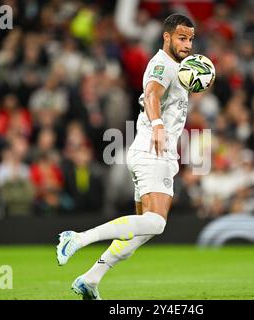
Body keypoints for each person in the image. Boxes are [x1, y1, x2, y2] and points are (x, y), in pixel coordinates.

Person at [56, 14, 196, 300]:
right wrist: (157, 125)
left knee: (142, 230)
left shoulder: (180, 69)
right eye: (182, 38)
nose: (188, 44)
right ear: (166, 37)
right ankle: (78, 238)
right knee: (156, 223)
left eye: (191, 39)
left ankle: (90, 279)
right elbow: (152, 95)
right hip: (150, 150)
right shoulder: (161, 64)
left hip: (162, 154)